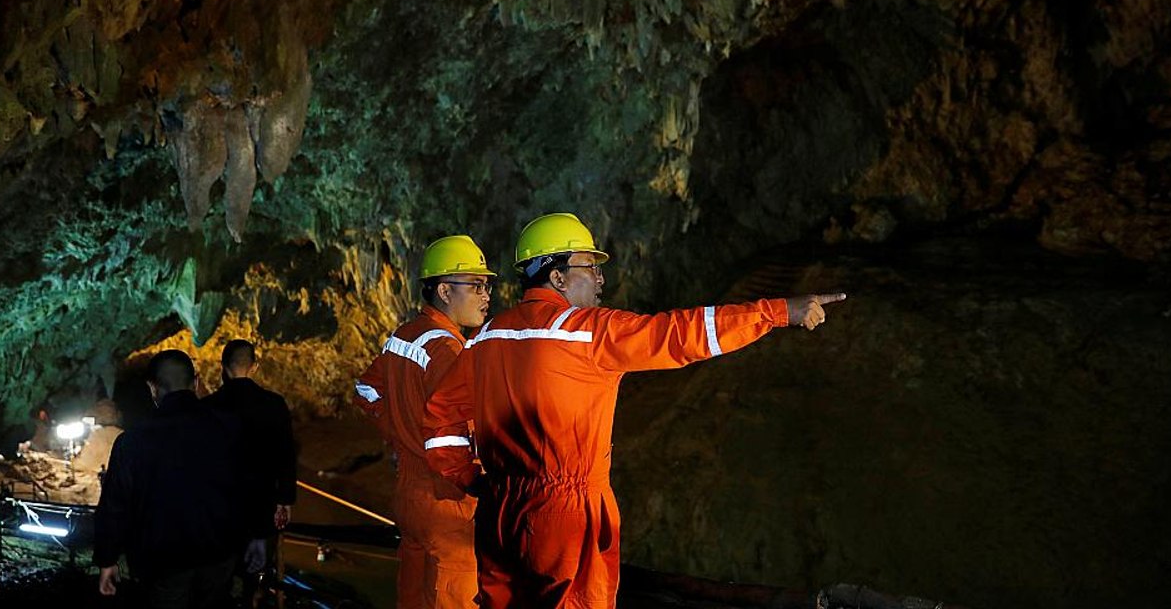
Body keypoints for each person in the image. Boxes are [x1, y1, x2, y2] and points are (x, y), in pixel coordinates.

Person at [424, 213, 846, 609]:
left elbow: (440, 417)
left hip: (499, 511)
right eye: (590, 267)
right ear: (557, 276)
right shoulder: (586, 331)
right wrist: (777, 312)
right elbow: (681, 334)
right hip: (564, 516)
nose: (600, 279)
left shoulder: (484, 338)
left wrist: (474, 479)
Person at [354, 235, 495, 609]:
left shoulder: (404, 335)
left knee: (414, 595)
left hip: (409, 493)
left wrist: (402, 436)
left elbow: (366, 390)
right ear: (445, 290)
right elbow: (459, 427)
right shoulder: (447, 350)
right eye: (477, 285)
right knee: (454, 596)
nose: (487, 295)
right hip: (445, 496)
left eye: (488, 285)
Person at [94, 349, 243, 608]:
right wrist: (255, 539)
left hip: (163, 559)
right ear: (195, 382)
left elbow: (116, 505)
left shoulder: (133, 441)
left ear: (152, 388)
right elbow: (245, 489)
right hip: (219, 553)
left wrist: (107, 559)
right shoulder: (229, 427)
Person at [205, 339, 298, 608]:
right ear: (255, 367)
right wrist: (285, 500)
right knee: (252, 580)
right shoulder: (273, 404)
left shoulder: (209, 406)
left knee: (218, 582)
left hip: (218, 511)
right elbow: (286, 456)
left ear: (223, 367)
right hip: (260, 508)